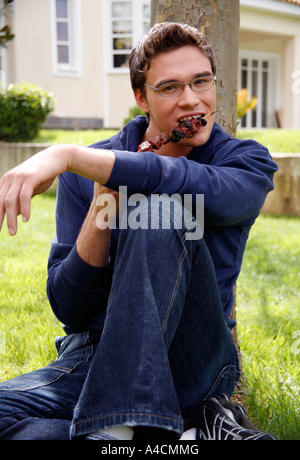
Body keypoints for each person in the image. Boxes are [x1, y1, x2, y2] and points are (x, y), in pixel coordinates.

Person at [0, 22, 278, 441]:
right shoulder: (87, 172)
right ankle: (169, 437)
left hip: (193, 363)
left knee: (160, 211)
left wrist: (65, 154)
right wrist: (102, 205)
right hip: (93, 356)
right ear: (140, 97)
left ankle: (115, 427)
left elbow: (181, 178)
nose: (191, 99)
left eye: (201, 81)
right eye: (169, 87)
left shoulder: (243, 162)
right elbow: (70, 310)